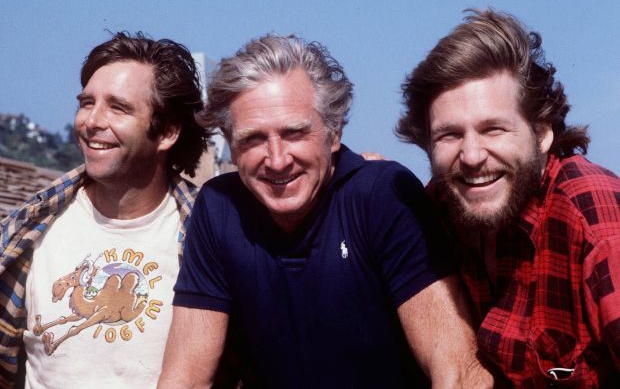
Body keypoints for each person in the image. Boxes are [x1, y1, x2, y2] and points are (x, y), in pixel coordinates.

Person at [159, 34, 492, 388]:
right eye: (253, 139)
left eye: (295, 133)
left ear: (333, 133)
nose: (277, 159)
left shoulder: (379, 196)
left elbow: (456, 370)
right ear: (231, 144)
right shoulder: (219, 208)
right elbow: (186, 375)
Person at [397, 8, 620, 387]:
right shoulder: (434, 211)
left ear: (542, 133)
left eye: (493, 129)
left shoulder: (591, 216)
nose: (471, 156)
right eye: (449, 136)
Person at [0, 32, 208, 388]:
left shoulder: (207, 238)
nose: (92, 121)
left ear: (167, 133)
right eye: (86, 103)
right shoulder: (28, 231)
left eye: (118, 107)